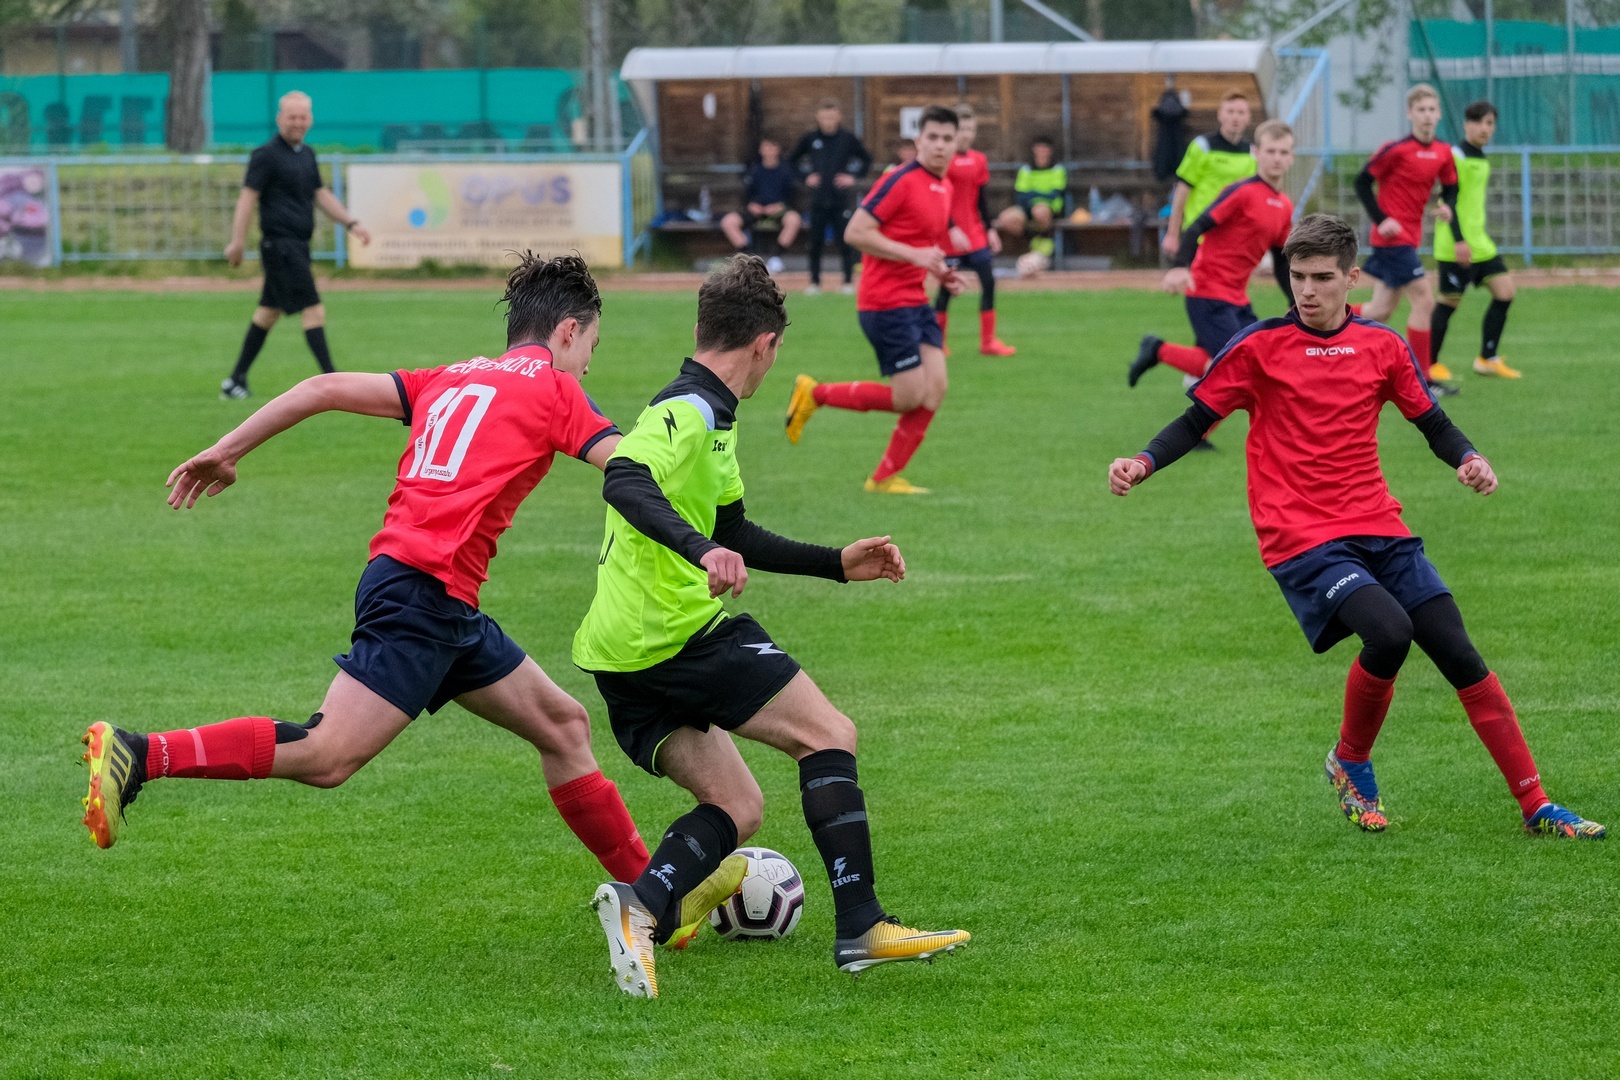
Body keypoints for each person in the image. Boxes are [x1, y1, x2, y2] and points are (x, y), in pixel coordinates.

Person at [81, 254, 659, 891]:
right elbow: (627, 469)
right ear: (569, 331)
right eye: (592, 347)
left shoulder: (449, 376)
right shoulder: (556, 388)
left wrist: (227, 450)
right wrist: (701, 529)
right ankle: (141, 752)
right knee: (327, 754)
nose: (588, 366)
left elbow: (320, 389)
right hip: (426, 594)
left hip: (425, 591)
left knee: (564, 726)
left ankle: (656, 900)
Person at [1108, 214, 1603, 841]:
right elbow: (1194, 420)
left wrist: (1470, 458)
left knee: (1458, 652)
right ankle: (1351, 759)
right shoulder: (1259, 346)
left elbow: (1432, 422)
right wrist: (1143, 461)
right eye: (1297, 276)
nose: (1306, 290)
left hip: (1378, 525)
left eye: (1321, 278)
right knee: (1390, 632)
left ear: (1353, 278)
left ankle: (1537, 805)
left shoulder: (1382, 346)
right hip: (1301, 535)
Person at [575, 255, 970, 998]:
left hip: (620, 653)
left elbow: (734, 531)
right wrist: (700, 551)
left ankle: (641, 906)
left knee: (739, 805)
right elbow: (624, 478)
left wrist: (835, 564)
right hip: (673, 636)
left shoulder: (714, 418)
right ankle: (862, 926)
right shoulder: (686, 411)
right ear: (766, 345)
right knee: (829, 734)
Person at [782, 104, 966, 495]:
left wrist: (940, 272)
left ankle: (883, 479)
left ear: (957, 144)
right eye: (932, 137)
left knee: (935, 388)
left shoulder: (944, 186)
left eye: (947, 139)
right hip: (884, 302)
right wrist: (916, 255)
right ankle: (814, 393)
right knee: (909, 397)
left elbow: (919, 243)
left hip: (915, 299)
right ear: (918, 140)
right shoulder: (899, 180)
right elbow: (855, 232)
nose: (939, 145)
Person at [1128, 120, 1297, 441]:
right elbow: (1197, 227)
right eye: (1271, 151)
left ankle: (1197, 432)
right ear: (1256, 153)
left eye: (1283, 152)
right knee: (1232, 366)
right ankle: (1159, 350)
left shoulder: (1284, 205)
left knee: (1247, 362)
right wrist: (1181, 266)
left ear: (1291, 158)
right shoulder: (1241, 192)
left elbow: (1280, 259)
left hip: (1237, 297)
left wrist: (1295, 300)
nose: (1277, 158)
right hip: (1206, 290)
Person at [221, 91, 371, 400]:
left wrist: (351, 223)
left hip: (298, 246)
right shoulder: (265, 155)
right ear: (280, 119)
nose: (297, 122)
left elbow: (320, 194)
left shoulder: (307, 154)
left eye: (303, 117)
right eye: (292, 117)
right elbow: (247, 198)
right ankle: (333, 382)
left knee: (268, 313)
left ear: (310, 120)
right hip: (280, 246)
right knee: (313, 310)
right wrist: (237, 241)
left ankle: (235, 380)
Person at [1354, 83, 1462, 395]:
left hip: (1410, 238)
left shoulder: (1443, 152)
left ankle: (1321, 319)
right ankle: (1423, 380)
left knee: (1380, 309)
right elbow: (1361, 182)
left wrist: (1447, 205)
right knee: (1424, 300)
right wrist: (1382, 219)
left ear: (1439, 114)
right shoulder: (1396, 149)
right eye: (1421, 110)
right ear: (1410, 114)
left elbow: (1451, 187)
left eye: (1431, 109)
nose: (1427, 115)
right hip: (1391, 239)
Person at [1431, 100, 1520, 379]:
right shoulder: (1456, 156)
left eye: (1490, 123)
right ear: (1466, 124)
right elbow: (1448, 200)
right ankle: (1429, 364)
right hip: (1455, 244)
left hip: (1480, 243)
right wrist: (1459, 240)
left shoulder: (1480, 157)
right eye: (1479, 122)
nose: (1484, 128)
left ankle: (1487, 358)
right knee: (1449, 302)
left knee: (1505, 292)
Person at [934, 103, 1015, 357]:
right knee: (947, 289)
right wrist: (951, 228)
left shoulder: (979, 160)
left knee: (988, 282)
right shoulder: (943, 161)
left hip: (975, 233)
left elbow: (981, 198)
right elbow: (938, 199)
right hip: (950, 236)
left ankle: (988, 342)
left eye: (971, 129)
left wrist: (990, 229)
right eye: (963, 129)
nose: (967, 134)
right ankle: (938, 343)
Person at [789, 99, 873, 295]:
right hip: (818, 199)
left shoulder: (847, 138)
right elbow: (792, 161)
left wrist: (852, 177)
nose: (828, 121)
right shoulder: (810, 139)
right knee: (815, 242)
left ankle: (847, 281)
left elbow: (866, 160)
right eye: (825, 117)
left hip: (840, 199)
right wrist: (805, 177)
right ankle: (814, 282)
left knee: (845, 241)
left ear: (838, 117)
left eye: (832, 117)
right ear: (818, 117)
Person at [1162, 91, 1256, 260]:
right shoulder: (1202, 147)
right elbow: (1182, 190)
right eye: (1230, 111)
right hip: (1199, 234)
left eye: (1241, 112)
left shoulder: (1252, 154)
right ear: (1220, 115)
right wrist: (1172, 234)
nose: (1235, 117)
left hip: (1233, 237)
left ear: (1248, 117)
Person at [719, 137, 802, 273]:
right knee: (728, 221)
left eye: (772, 147)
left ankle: (776, 258)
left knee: (794, 219)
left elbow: (792, 195)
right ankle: (749, 259)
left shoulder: (786, 171)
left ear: (777, 150)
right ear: (761, 150)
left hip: (778, 211)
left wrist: (780, 206)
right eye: (766, 147)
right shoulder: (754, 170)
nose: (769, 151)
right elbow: (746, 194)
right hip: (756, 211)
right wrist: (751, 205)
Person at [995, 136, 1066, 267]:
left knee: (1039, 211)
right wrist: (1037, 197)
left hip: (1049, 208)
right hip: (1027, 207)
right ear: (1034, 150)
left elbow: (1055, 194)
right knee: (1005, 218)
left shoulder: (1057, 169)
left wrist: (1033, 195)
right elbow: (1020, 195)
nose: (1042, 152)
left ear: (1050, 151)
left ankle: (1043, 241)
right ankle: (1029, 240)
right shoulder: (1026, 169)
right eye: (1040, 148)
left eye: (1045, 149)